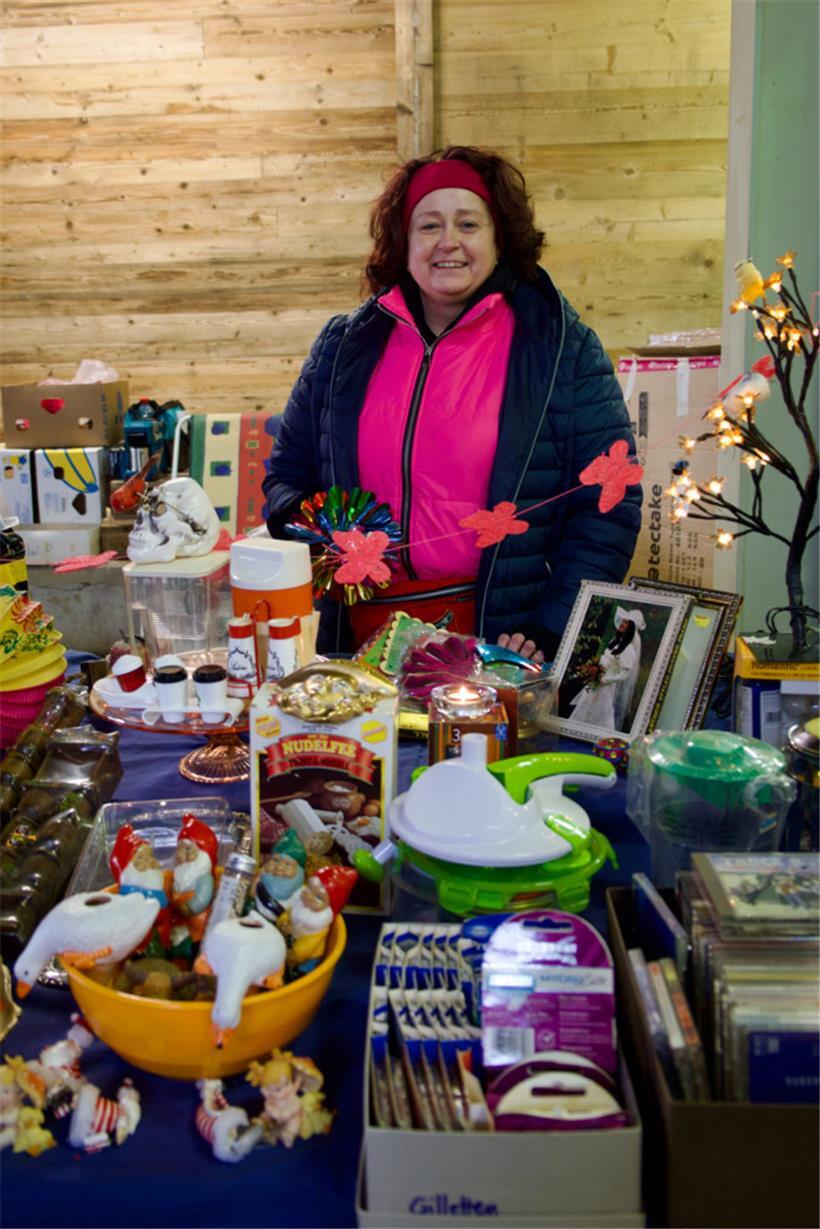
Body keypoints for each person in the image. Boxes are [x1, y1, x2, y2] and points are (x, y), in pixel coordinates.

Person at [263, 146, 641, 661]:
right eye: (428, 226)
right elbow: (288, 475)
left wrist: (554, 623)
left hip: (506, 642)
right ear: (403, 240)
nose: (449, 243)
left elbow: (607, 505)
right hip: (359, 641)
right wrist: (319, 532)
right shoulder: (343, 346)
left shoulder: (559, 348)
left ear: (498, 237)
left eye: (468, 224)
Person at [569, 608, 645, 731]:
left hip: (606, 685)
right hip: (596, 681)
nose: (622, 624)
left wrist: (605, 679)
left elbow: (624, 675)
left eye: (626, 623)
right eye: (622, 621)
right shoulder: (614, 642)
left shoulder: (628, 649)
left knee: (602, 713)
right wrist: (595, 670)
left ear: (630, 628)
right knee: (585, 706)